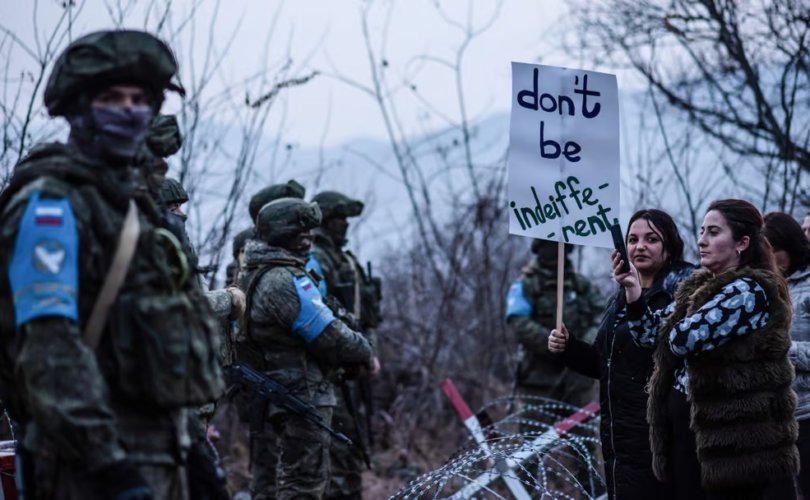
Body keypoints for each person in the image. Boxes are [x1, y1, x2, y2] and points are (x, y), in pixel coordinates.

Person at [0, 30, 223, 499]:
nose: (128, 110)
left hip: (161, 456)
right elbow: (50, 349)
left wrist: (196, 457)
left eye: (140, 99)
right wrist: (109, 468)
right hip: (87, 469)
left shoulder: (132, 208)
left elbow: (157, 351)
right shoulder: (52, 206)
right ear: (79, 109)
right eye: (110, 97)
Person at [620, 199, 798, 499]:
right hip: (694, 438)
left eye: (713, 232)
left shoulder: (749, 291)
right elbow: (649, 337)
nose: (701, 240)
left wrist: (670, 325)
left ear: (741, 243)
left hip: (734, 448)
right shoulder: (698, 287)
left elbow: (682, 339)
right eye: (702, 231)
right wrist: (633, 292)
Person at [548, 209, 692, 500]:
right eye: (633, 239)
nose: (640, 246)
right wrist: (569, 348)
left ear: (669, 247)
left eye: (651, 239)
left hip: (658, 440)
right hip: (618, 441)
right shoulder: (620, 298)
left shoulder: (679, 295)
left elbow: (659, 350)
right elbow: (606, 364)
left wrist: (636, 299)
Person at [239, 197, 373, 500]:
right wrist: (364, 349)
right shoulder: (283, 279)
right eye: (302, 233)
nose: (309, 239)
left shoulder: (256, 271)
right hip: (301, 393)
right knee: (304, 485)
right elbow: (330, 336)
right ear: (283, 234)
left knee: (294, 480)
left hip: (283, 390)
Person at [306, 190, 383, 500]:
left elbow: (367, 315)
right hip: (332, 370)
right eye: (339, 219)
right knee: (339, 450)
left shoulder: (345, 259)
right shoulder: (317, 258)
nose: (345, 225)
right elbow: (322, 312)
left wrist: (367, 352)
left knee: (353, 446)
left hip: (353, 366)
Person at [505, 239, 602, 411]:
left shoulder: (581, 285)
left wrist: (582, 346)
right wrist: (555, 344)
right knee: (538, 437)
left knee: (580, 434)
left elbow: (602, 314)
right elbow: (519, 322)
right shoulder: (525, 284)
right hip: (539, 380)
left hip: (578, 380)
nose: (555, 251)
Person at [764, 212, 810, 497]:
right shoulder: (766, 288)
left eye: (773, 251)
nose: (768, 258)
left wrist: (781, 348)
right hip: (775, 419)